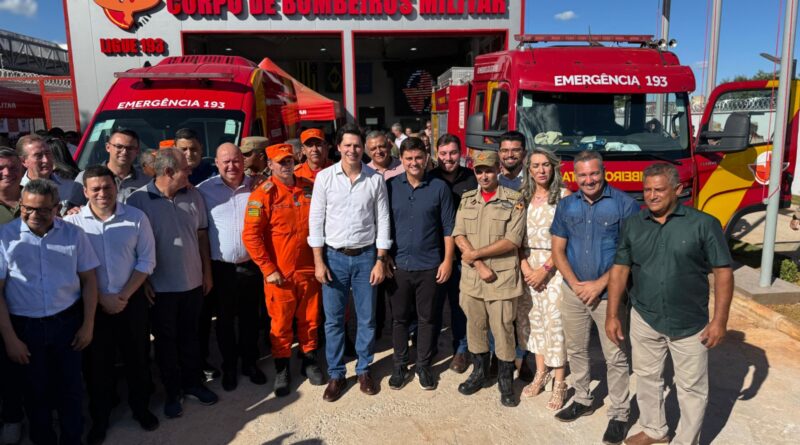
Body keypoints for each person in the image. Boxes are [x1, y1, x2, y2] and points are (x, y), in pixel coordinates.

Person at [606, 163, 734, 445]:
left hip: (690, 323)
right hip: (645, 316)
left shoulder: (703, 224)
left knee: (691, 388)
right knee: (648, 377)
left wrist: (719, 321)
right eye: (647, 190)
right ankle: (654, 430)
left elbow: (723, 271)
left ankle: (686, 440)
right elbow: (620, 270)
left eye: (659, 190)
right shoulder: (634, 224)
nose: (652, 196)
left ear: (677, 190)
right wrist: (612, 314)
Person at [0, 179, 99, 445]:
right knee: (35, 392)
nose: (34, 215)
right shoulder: (5, 237)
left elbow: (89, 280)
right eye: (28, 208)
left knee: (71, 389)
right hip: (25, 329)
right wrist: (10, 339)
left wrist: (88, 324)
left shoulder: (74, 235)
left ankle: (72, 439)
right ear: (21, 205)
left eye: (43, 209)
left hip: (66, 324)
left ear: (57, 208)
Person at [64, 165, 158, 442]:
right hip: (93, 307)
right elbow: (70, 268)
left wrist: (124, 295)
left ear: (116, 187)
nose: (102, 193)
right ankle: (100, 419)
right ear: (85, 192)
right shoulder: (72, 224)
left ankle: (141, 409)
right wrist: (101, 298)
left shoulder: (136, 218)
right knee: (97, 367)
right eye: (95, 189)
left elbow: (146, 260)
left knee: (138, 359)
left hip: (130, 301)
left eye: (107, 187)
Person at [550, 150, 638, 444]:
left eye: (594, 173)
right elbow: (558, 251)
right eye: (583, 175)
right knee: (576, 349)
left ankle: (620, 414)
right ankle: (584, 399)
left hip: (609, 293)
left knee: (615, 355)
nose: (589, 180)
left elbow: (629, 254)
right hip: (573, 290)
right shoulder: (566, 205)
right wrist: (575, 284)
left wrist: (599, 285)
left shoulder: (625, 205)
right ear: (575, 177)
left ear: (604, 172)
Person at [126, 148, 218, 418]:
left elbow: (202, 236)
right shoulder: (137, 201)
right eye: (185, 169)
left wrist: (207, 273)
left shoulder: (194, 195)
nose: (191, 172)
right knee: (166, 343)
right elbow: (132, 248)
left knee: (191, 338)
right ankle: (172, 392)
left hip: (192, 283)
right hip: (160, 289)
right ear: (168, 172)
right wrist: (141, 283)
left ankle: (193, 384)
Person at [308, 124, 392, 402]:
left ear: (363, 148)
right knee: (333, 321)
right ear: (339, 147)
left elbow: (383, 221)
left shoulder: (374, 179)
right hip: (333, 257)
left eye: (357, 145)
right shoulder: (324, 178)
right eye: (348, 145)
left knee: (366, 319)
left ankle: (364, 369)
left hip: (366, 257)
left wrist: (380, 259)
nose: (352, 150)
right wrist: (319, 262)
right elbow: (315, 221)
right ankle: (336, 374)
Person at [243, 143, 325, 397]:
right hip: (280, 274)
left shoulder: (308, 187)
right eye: (280, 162)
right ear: (270, 165)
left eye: (289, 160)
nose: (286, 165)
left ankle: (309, 360)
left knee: (311, 319)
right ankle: (282, 367)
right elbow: (251, 236)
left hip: (309, 268)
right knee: (280, 325)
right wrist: (268, 268)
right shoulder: (263, 194)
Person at [452, 150, 525, 407]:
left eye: (489, 170)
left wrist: (475, 255)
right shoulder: (468, 199)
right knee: (475, 328)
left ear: (498, 171)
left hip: (501, 280)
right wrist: (478, 263)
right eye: (479, 171)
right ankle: (480, 373)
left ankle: (506, 380)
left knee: (503, 330)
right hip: (473, 278)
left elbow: (512, 240)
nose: (484, 175)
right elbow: (458, 233)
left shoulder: (514, 200)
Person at [385, 137, 454, 391]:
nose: (414, 163)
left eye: (418, 158)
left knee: (427, 319)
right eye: (409, 158)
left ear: (426, 158)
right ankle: (400, 365)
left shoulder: (439, 188)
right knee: (400, 319)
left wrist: (447, 260)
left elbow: (449, 228)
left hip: (430, 265)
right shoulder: (391, 187)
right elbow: (384, 224)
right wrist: (385, 256)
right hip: (399, 266)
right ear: (401, 160)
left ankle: (424, 365)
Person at [197, 144, 267, 392]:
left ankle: (250, 363)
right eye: (225, 161)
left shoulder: (257, 186)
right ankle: (229, 366)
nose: (231, 166)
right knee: (225, 322)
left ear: (243, 161)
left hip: (251, 266)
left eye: (236, 160)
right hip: (221, 269)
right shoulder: (203, 191)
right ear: (216, 163)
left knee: (251, 319)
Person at [516, 147, 571, 411]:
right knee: (534, 321)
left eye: (546, 165)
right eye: (535, 166)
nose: (541, 170)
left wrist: (546, 269)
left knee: (555, 323)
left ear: (554, 167)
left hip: (555, 267)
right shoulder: (522, 197)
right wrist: (525, 267)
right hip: (528, 267)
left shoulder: (563, 197)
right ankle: (541, 372)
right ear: (529, 170)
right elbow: (514, 237)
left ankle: (559, 381)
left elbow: (568, 238)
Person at [428, 134, 475, 373]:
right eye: (444, 153)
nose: (448, 158)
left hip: (464, 256)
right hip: (433, 254)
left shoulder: (472, 179)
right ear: (437, 153)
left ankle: (461, 350)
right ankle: (428, 348)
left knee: (460, 306)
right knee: (431, 306)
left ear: (461, 153)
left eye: (453, 153)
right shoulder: (429, 179)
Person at [0, 148, 22, 444]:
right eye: (0, 168)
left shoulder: (38, 198)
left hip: (32, 296)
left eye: (12, 167)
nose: (7, 172)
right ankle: (13, 417)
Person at [75, 129, 151, 202]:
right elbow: (71, 209)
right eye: (119, 147)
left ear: (137, 151)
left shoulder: (147, 180)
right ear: (108, 147)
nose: (124, 152)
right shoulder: (86, 177)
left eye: (130, 148)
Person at [16, 134, 85, 213]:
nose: (46, 160)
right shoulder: (17, 192)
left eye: (48, 153)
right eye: (38, 156)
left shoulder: (71, 186)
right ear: (23, 161)